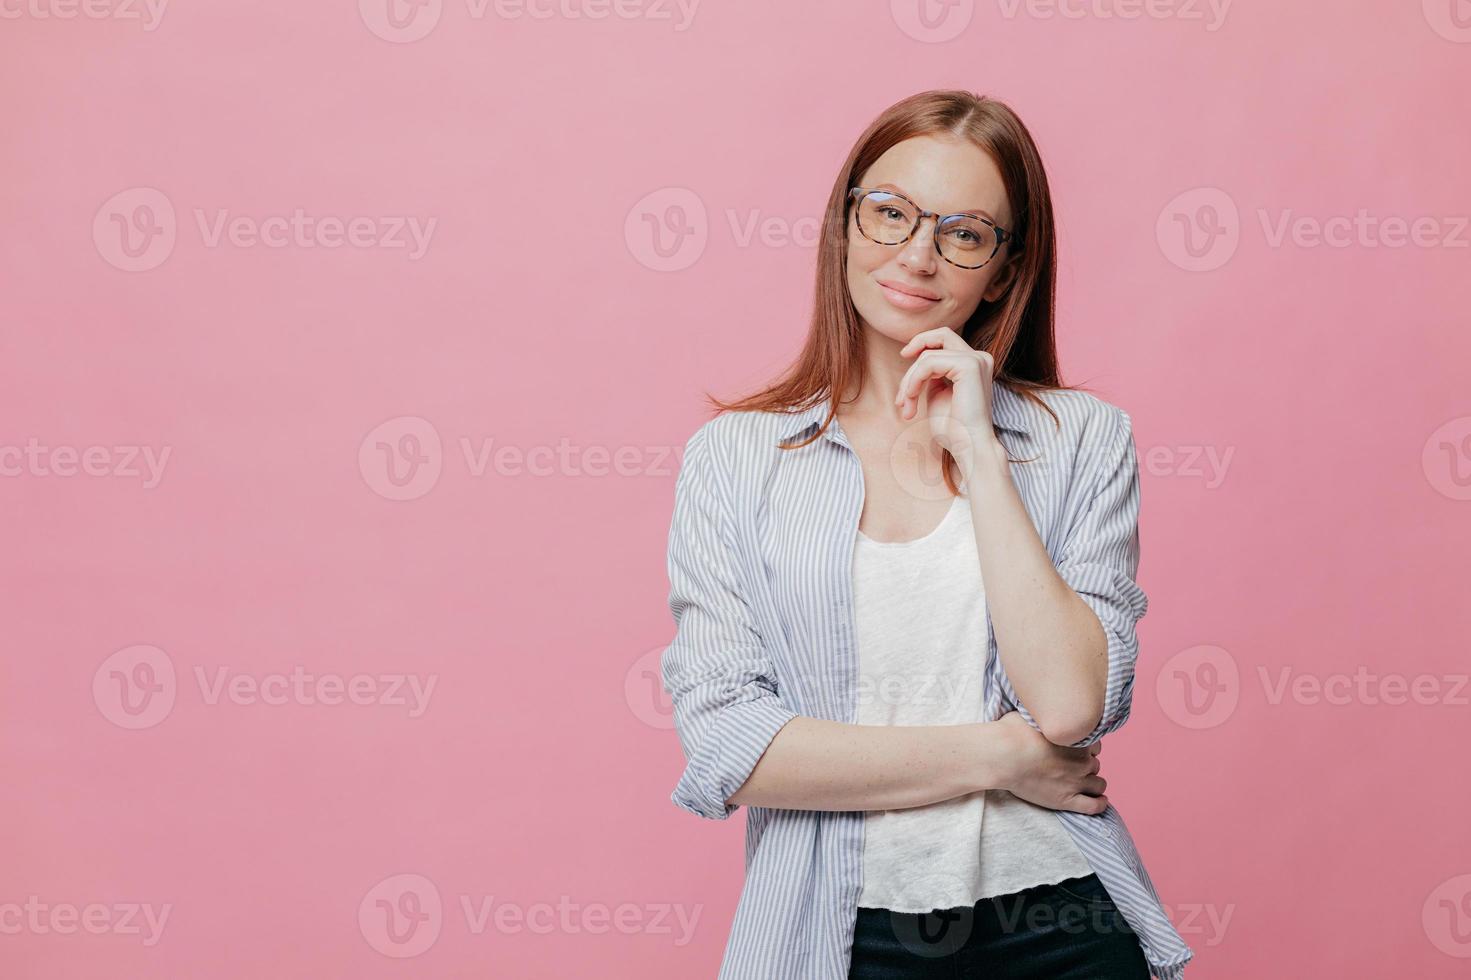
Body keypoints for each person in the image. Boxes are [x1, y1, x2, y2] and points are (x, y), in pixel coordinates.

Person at [660, 89, 1195, 980]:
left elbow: (1068, 707)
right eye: (890, 213)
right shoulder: (737, 458)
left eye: (964, 231)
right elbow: (730, 747)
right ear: (844, 223)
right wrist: (1000, 757)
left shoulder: (1080, 440)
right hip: (842, 926)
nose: (916, 253)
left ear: (1003, 266)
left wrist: (981, 454)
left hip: (1059, 920)